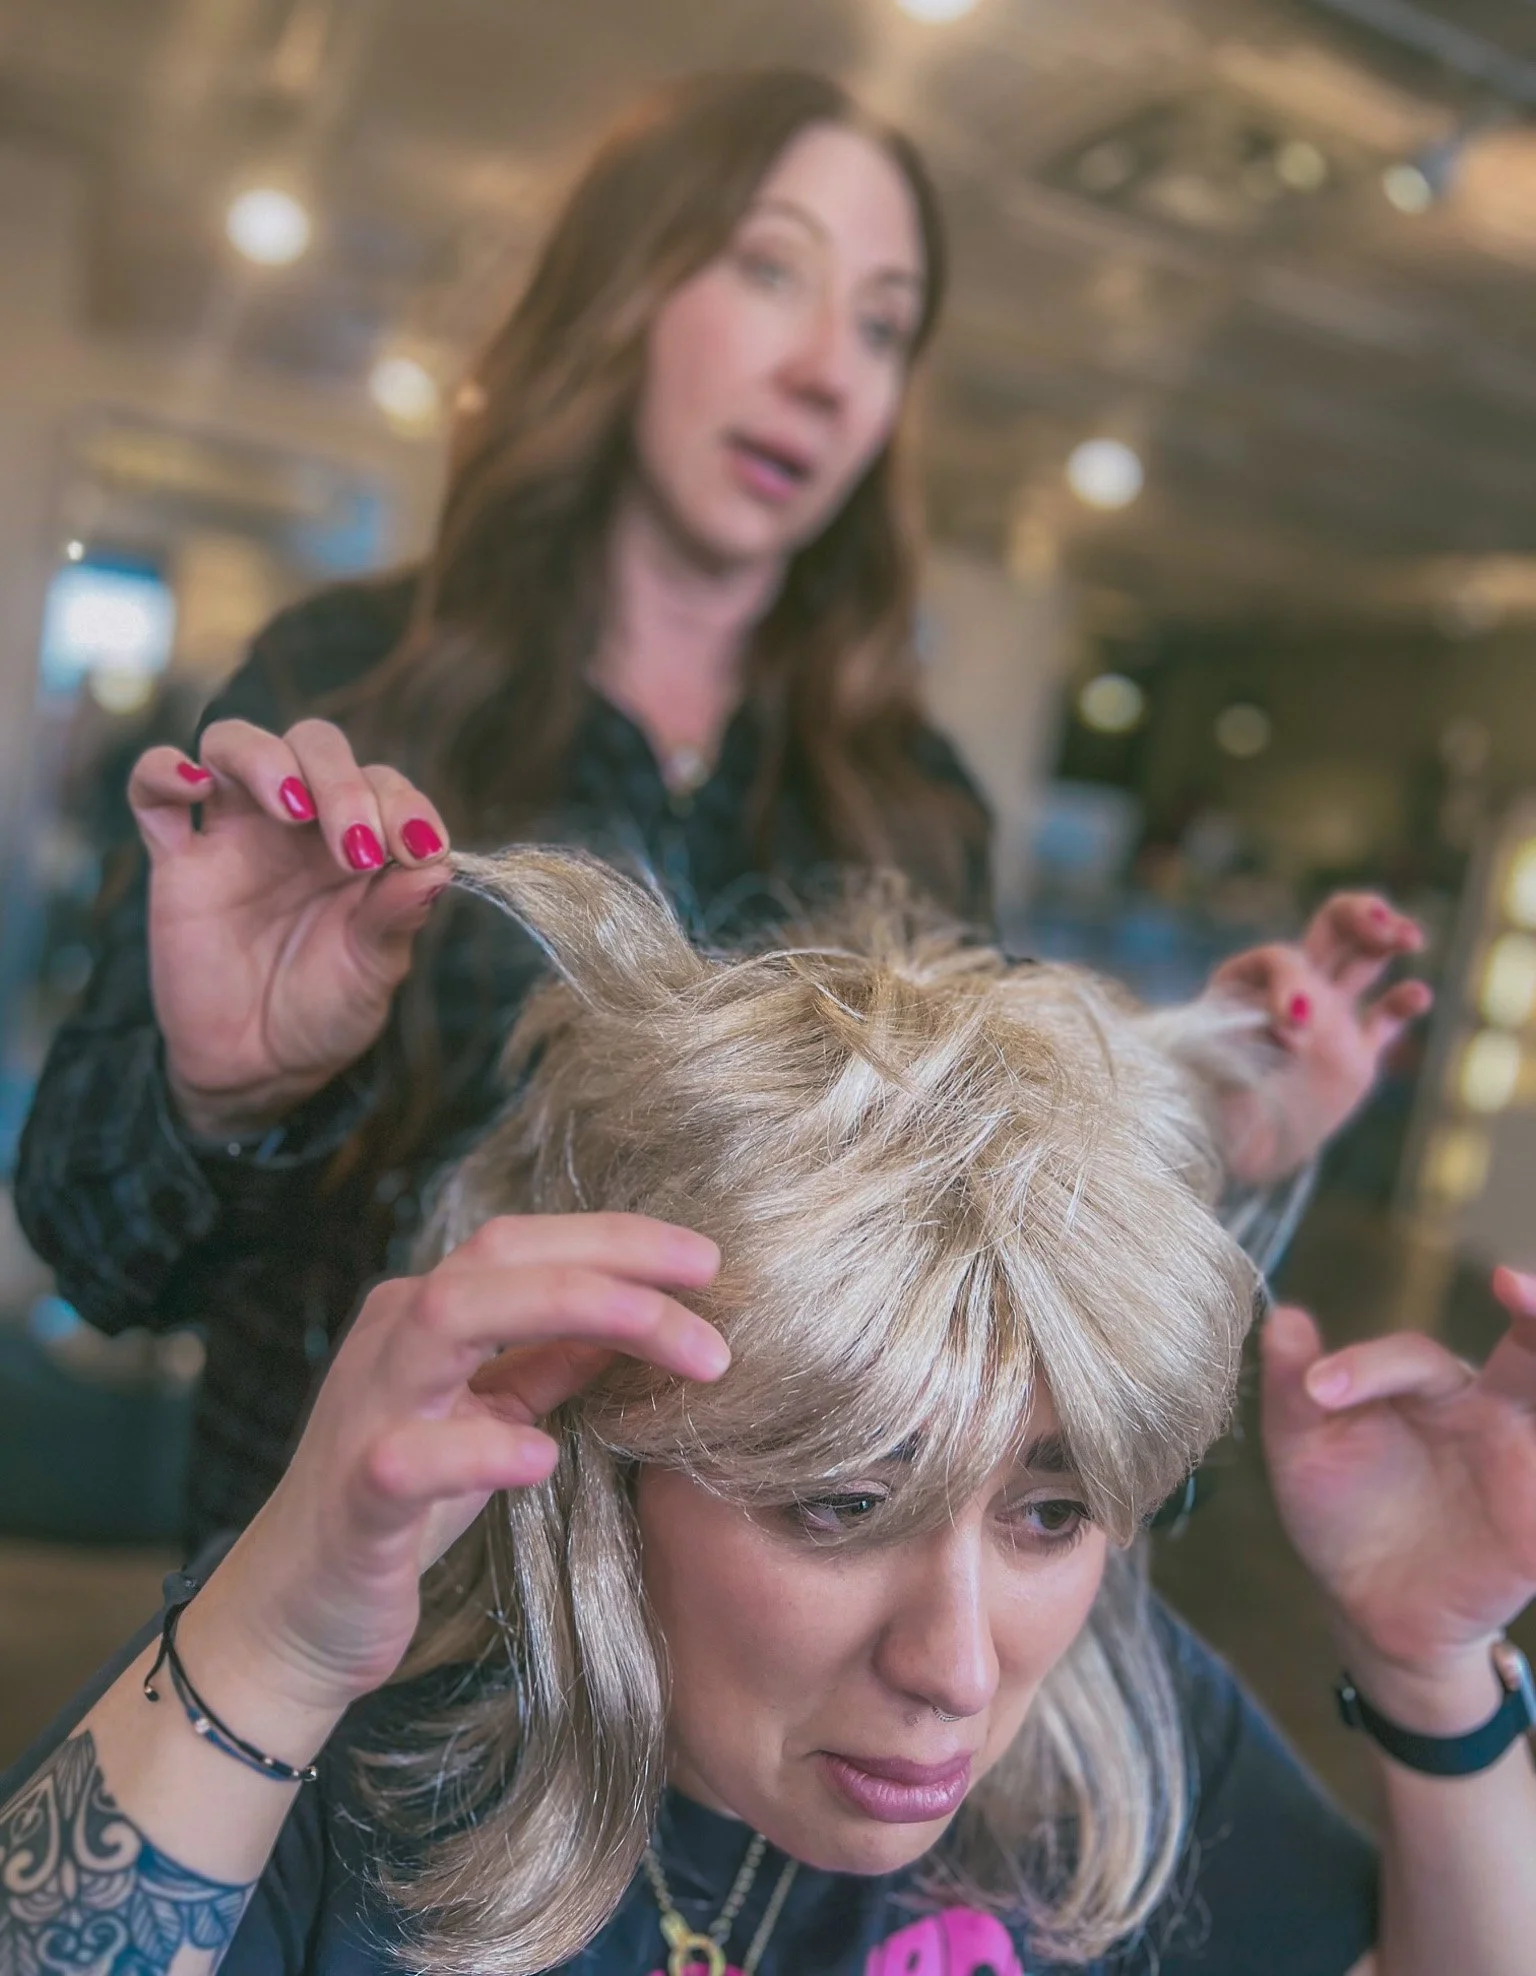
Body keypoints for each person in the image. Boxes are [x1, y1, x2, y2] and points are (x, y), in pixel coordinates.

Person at [13, 69, 1429, 1549]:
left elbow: (966, 1297)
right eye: (772, 271)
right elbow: (103, 1257)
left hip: (728, 1719)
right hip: (340, 1649)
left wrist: (1200, 1127)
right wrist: (221, 1098)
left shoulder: (908, 802)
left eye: (883, 327)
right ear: (627, 292)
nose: (830, 369)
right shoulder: (349, 690)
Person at [1, 847, 1529, 1976]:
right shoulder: (354, 1784)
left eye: (1048, 1513)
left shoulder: (1106, 1732)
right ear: (611, 1447)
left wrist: (1431, 1670)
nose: (957, 1667)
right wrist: (272, 1645)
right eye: (842, 1506)